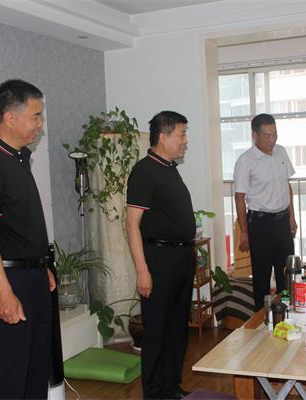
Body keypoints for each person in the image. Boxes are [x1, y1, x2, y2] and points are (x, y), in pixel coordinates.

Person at [0, 79, 56, 399]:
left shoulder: (18, 158)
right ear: (10, 117)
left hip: (32, 278)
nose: (40, 124)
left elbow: (20, 224)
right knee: (8, 376)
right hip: (8, 281)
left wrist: (41, 266)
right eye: (35, 116)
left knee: (35, 371)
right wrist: (4, 294)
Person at [126, 111, 196, 399]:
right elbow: (132, 225)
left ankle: (171, 387)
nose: (185, 141)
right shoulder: (144, 171)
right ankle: (154, 393)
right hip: (159, 260)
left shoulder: (169, 168)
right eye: (182, 134)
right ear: (163, 137)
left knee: (177, 328)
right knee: (157, 330)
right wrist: (142, 271)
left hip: (181, 258)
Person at [233, 113, 298, 310]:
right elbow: (239, 197)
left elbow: (286, 185)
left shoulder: (281, 152)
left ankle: (287, 316)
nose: (272, 140)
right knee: (262, 276)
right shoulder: (246, 161)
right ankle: (262, 320)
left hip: (282, 221)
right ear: (255, 135)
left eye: (275, 134)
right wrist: (244, 232)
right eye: (267, 136)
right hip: (260, 224)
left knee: (287, 273)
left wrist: (292, 217)